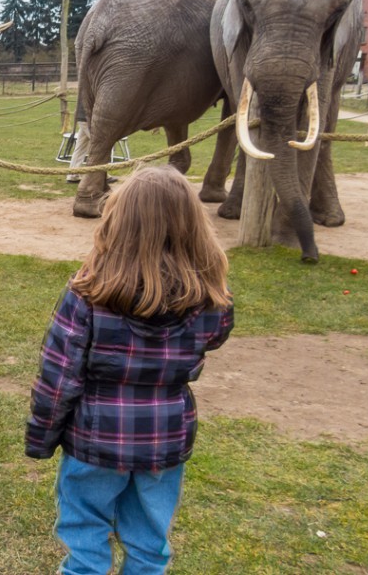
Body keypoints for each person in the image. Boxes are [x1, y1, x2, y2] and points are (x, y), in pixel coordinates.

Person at [25, 165, 234, 574]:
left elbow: (58, 378)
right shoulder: (211, 301)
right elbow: (216, 335)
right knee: (148, 546)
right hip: (164, 442)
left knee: (85, 540)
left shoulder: (87, 295)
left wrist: (41, 436)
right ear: (194, 227)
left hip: (94, 443)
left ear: (117, 224)